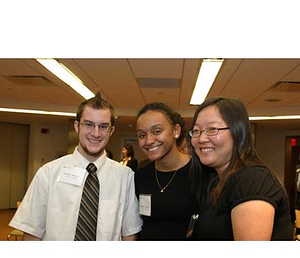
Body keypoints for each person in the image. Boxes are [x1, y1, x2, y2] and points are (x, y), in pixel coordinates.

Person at [9, 92, 142, 241]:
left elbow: (129, 233)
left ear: (111, 131)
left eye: (103, 126)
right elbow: (32, 232)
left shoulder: (126, 177)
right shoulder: (48, 173)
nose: (96, 133)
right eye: (89, 124)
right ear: (77, 126)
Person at [188, 96, 293, 240]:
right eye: (196, 131)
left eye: (212, 129)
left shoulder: (252, 180)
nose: (201, 138)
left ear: (238, 132)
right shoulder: (215, 180)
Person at [134, 102, 199, 240]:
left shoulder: (201, 172)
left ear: (176, 131)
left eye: (157, 131)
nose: (149, 141)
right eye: (142, 135)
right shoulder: (140, 176)